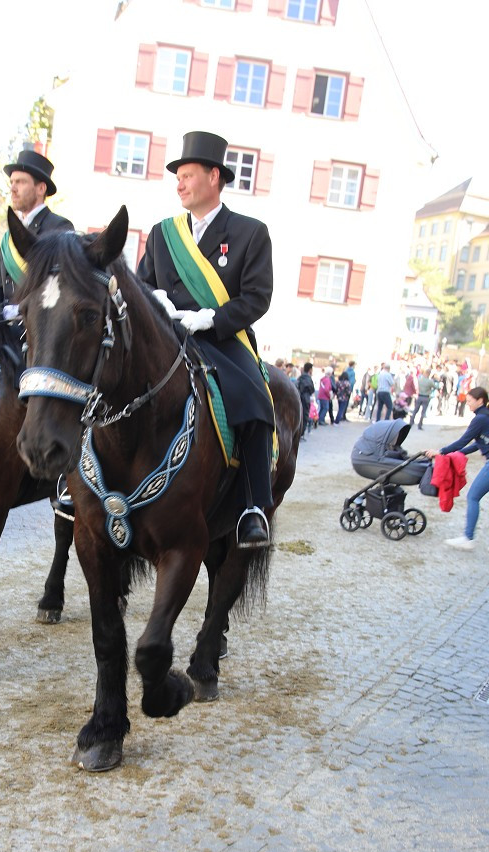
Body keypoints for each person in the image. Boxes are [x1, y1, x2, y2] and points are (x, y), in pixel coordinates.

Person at [137, 130, 275, 548]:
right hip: (167, 338)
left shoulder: (251, 232)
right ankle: (84, 483)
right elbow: (142, 284)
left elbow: (257, 297)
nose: (179, 183)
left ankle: (253, 505)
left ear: (214, 176)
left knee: (254, 398)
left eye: (188, 174)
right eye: (177, 176)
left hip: (222, 339)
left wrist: (210, 318)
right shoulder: (163, 234)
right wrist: (153, 299)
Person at [0, 149, 74, 319]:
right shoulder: (9, 237)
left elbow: (59, 285)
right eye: (12, 182)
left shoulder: (60, 228)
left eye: (20, 182)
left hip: (36, 329)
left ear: (41, 188)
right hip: (3, 328)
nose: (12, 188)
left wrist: (20, 309)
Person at [425, 386, 489, 551]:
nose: (467, 404)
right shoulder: (485, 417)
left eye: (469, 401)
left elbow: (464, 440)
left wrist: (440, 451)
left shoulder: (480, 419)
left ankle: (468, 538)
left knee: (473, 496)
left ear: (480, 400)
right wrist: (458, 452)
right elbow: (478, 443)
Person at [296, 362, 315, 440]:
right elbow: (311, 389)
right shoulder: (308, 378)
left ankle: (298, 433)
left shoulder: (300, 377)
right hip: (306, 399)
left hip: (299, 398)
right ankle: (301, 434)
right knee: (305, 416)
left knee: (300, 416)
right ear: (310, 369)